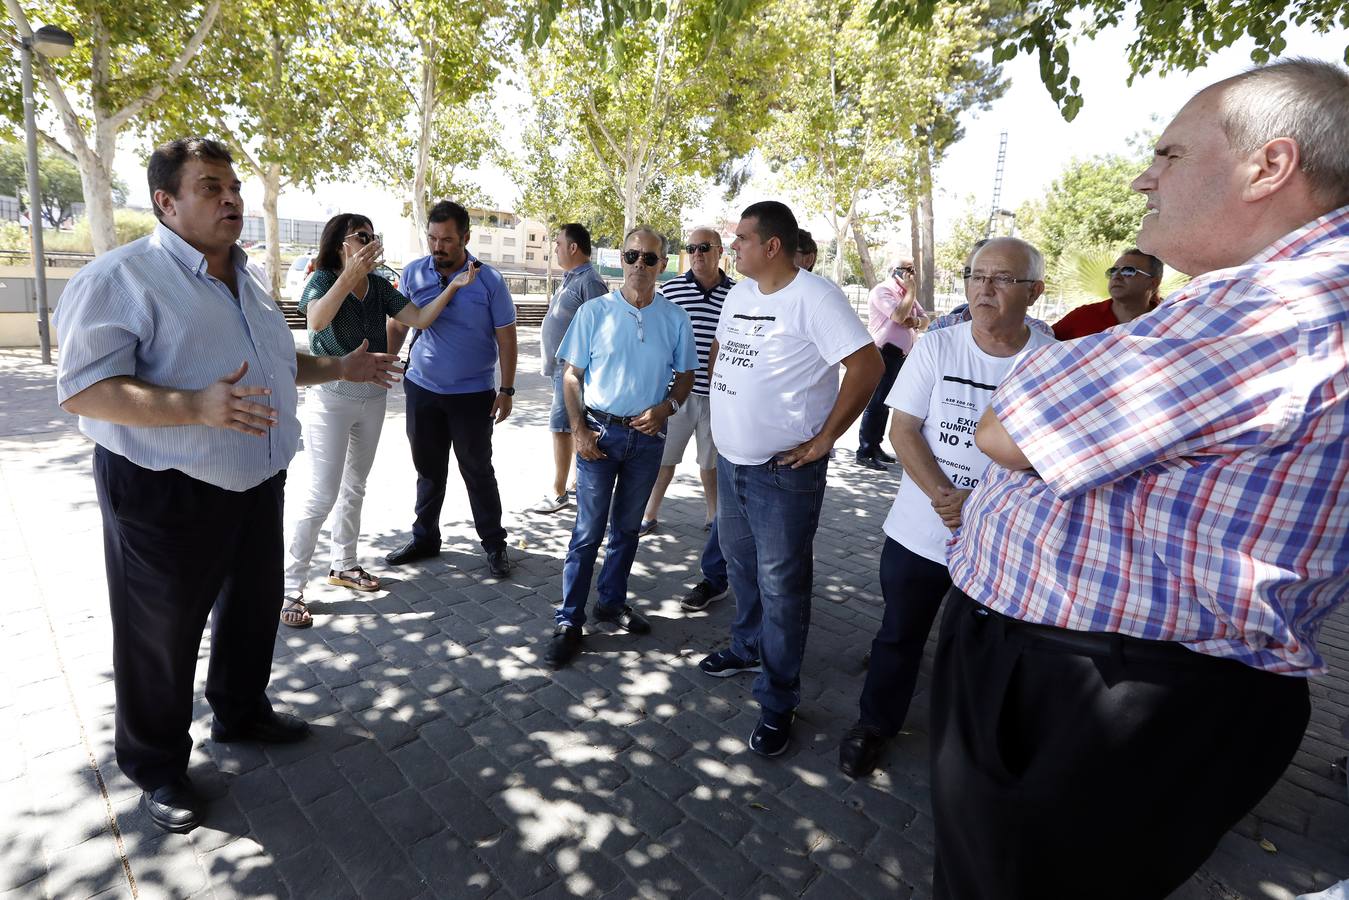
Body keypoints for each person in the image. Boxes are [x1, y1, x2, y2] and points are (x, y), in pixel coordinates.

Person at [931, 59, 1349, 898]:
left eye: (1169, 155)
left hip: (1100, 693)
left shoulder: (1287, 306)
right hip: (1107, 681)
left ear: (1267, 167)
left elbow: (1006, 431)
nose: (1140, 177)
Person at [54, 137, 400, 834]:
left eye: (233, 185)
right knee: (161, 634)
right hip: (165, 489)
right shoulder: (123, 278)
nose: (231, 197)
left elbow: (274, 367)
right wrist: (192, 407)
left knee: (252, 607)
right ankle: (156, 766)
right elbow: (84, 390)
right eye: (211, 186)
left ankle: (241, 713)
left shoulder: (246, 280)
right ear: (166, 201)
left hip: (254, 482)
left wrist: (341, 370)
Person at [837, 237, 1055, 779]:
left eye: (1002, 278)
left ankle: (969, 747)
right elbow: (904, 429)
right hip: (920, 533)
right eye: (976, 275)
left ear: (1035, 291)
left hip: (1004, 541)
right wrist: (943, 496)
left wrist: (978, 504)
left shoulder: (1055, 361)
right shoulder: (938, 346)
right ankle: (875, 724)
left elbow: (1055, 453)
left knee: (985, 652)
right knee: (898, 634)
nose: (984, 287)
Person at [701, 200, 882, 757]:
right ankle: (748, 645)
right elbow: (721, 352)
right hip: (732, 463)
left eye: (742, 240)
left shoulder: (816, 296)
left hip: (784, 474)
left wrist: (826, 438)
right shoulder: (739, 293)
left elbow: (867, 365)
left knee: (783, 586)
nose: (734, 249)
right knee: (740, 565)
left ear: (772, 246)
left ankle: (778, 700)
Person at [281, 213, 480, 627]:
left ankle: (344, 565)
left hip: (372, 400)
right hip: (331, 400)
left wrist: (454, 287)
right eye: (363, 237)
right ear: (341, 244)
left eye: (374, 235)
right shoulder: (321, 280)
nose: (372, 243)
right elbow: (315, 320)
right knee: (322, 495)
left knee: (356, 487)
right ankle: (291, 588)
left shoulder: (380, 288)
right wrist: (347, 274)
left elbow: (420, 319)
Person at [545, 226, 697, 669]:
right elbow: (572, 376)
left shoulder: (675, 318)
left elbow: (685, 376)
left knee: (627, 531)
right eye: (632, 256)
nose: (639, 266)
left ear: (662, 265)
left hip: (648, 440)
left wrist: (668, 406)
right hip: (599, 437)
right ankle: (569, 620)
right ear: (622, 258)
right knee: (587, 533)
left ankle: (610, 604)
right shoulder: (594, 311)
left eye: (650, 259)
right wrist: (578, 430)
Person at [385, 200, 517, 578]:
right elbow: (398, 325)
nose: (438, 246)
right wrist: (386, 364)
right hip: (422, 389)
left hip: (474, 395)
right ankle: (425, 537)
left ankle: (494, 543)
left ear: (465, 239)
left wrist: (506, 388)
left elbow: (506, 338)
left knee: (477, 470)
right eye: (432, 238)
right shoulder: (412, 274)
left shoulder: (489, 281)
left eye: (446, 240)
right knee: (428, 470)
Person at [643, 227, 736, 612]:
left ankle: (713, 516)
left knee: (710, 462)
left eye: (704, 248)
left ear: (719, 252)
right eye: (691, 248)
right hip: (677, 393)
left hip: (719, 396)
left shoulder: (738, 293)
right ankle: (650, 513)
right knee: (665, 458)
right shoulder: (672, 289)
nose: (697, 254)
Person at [535, 223, 609, 513]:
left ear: (573, 247)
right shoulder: (571, 278)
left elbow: (602, 330)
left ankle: (558, 491)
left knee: (562, 428)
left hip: (573, 373)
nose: (555, 249)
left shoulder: (590, 281)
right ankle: (577, 486)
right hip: (561, 371)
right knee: (565, 428)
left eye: (558, 244)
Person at [855, 261, 925, 470]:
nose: (911, 274)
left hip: (899, 355)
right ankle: (865, 451)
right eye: (907, 270)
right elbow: (899, 316)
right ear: (896, 271)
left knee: (885, 404)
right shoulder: (883, 291)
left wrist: (916, 321)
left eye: (913, 270)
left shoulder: (906, 294)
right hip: (882, 352)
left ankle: (876, 446)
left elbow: (925, 319)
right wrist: (910, 294)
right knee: (876, 403)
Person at [1052, 248, 1164, 339]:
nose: (1116, 276)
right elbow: (1043, 344)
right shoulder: (1083, 316)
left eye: (1128, 271)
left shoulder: (1166, 321)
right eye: (1113, 271)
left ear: (1153, 283)